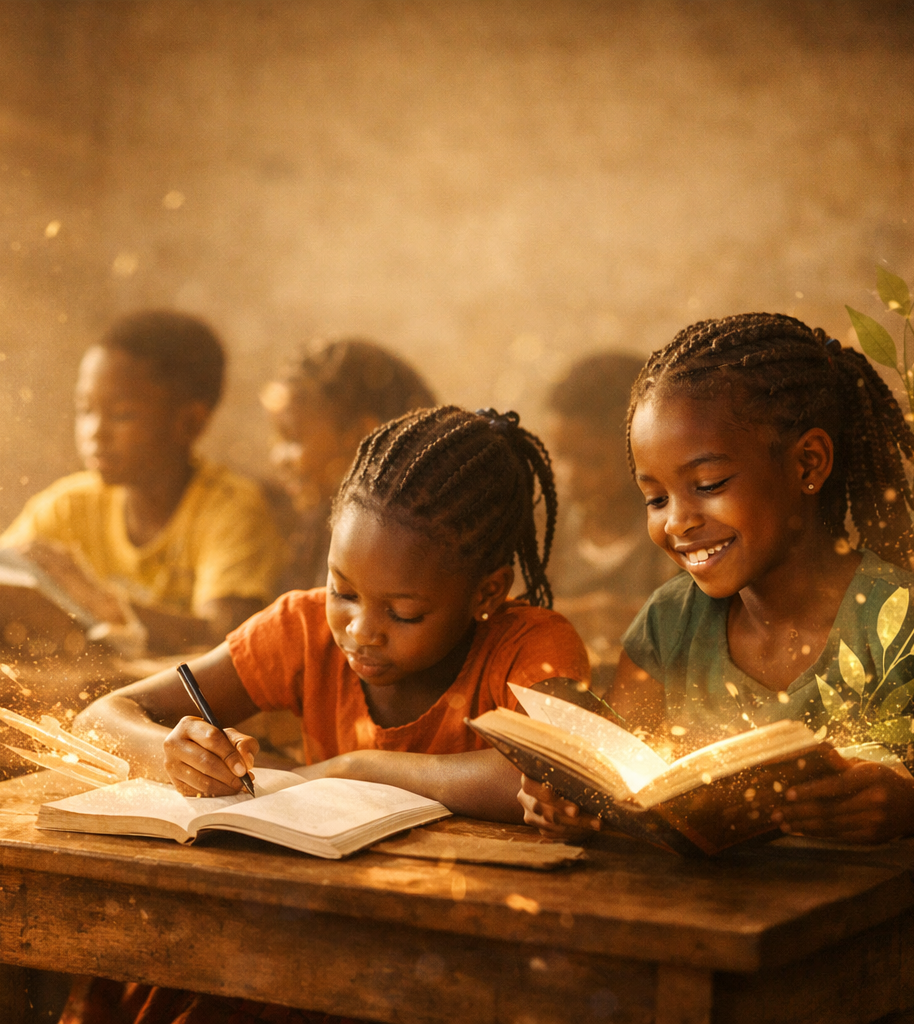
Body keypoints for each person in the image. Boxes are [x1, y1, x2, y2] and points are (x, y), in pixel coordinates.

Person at [518, 313, 914, 1024]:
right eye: (655, 497)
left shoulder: (905, 625)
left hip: (907, 984)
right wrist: (575, 803)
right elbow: (629, 785)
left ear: (807, 465)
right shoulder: (669, 626)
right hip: (732, 978)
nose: (676, 521)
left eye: (706, 483)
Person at [63, 406, 589, 1024]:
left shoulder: (531, 645)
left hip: (464, 951)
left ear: (486, 593)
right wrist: (168, 751)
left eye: (404, 613)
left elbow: (547, 769)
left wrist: (354, 766)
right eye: (344, 591)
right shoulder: (303, 628)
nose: (361, 632)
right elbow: (102, 715)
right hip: (310, 930)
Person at [0, 310, 281, 654]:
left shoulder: (232, 511)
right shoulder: (71, 504)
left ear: (190, 423)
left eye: (121, 415)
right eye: (85, 410)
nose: (95, 433)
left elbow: (227, 638)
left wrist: (95, 600)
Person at [261, 337, 436, 594]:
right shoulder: (320, 522)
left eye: (292, 438)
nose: (277, 457)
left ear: (360, 439)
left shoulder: (395, 546)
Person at [545, 352, 677, 688]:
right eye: (561, 455)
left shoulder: (673, 530)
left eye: (591, 461)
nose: (570, 475)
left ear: (643, 450)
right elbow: (504, 612)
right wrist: (576, 615)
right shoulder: (549, 524)